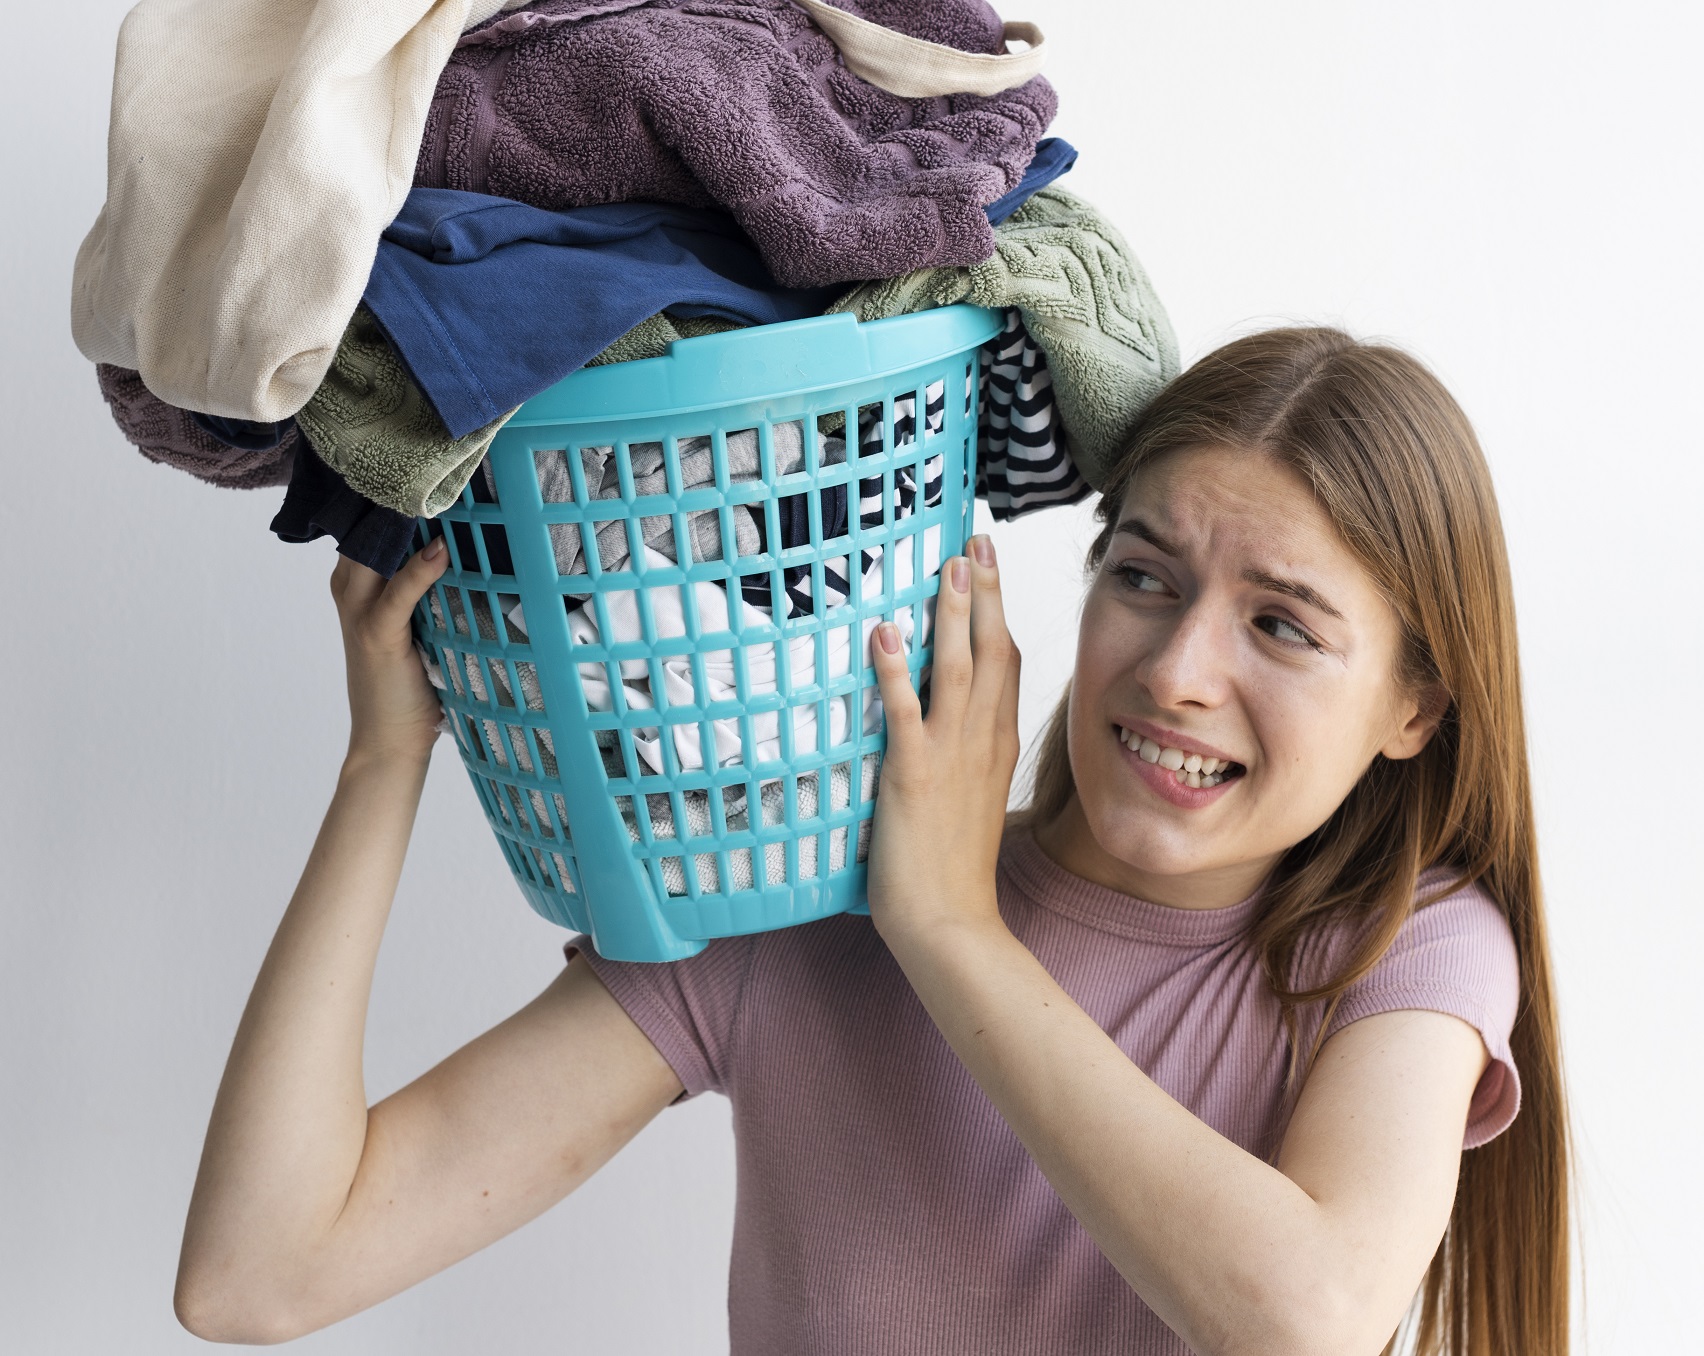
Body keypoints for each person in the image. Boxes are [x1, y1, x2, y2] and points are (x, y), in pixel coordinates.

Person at [173, 327, 1569, 1355]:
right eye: (1142, 576)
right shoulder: (796, 895)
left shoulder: (1406, 956)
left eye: (1280, 623)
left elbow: (1307, 1320)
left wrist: (951, 929)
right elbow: (259, 1272)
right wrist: (380, 764)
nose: (1179, 670)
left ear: (1413, 706)